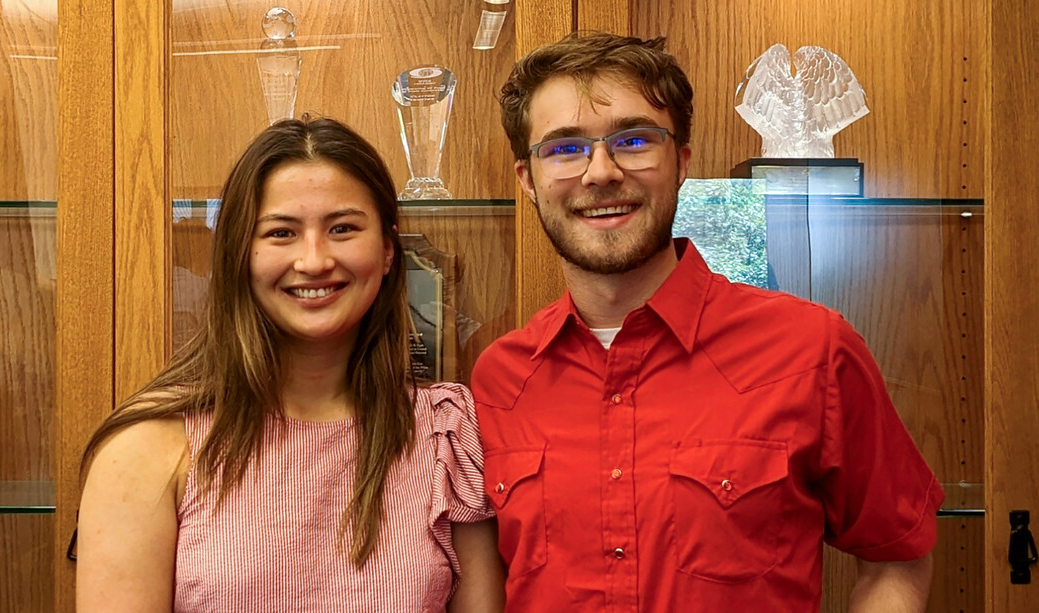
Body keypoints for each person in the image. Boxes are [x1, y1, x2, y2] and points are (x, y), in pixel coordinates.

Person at [471, 32, 944, 612]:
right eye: (564, 149)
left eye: (634, 139)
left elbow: (896, 553)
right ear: (528, 180)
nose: (601, 172)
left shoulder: (812, 350)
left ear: (681, 163)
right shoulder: (498, 380)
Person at [76, 117, 505, 612]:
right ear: (241, 253)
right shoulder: (148, 445)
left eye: (342, 228)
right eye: (281, 232)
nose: (314, 260)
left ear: (388, 250)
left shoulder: (445, 434)